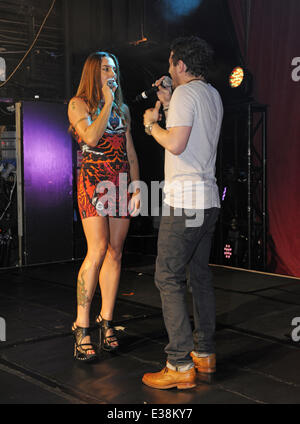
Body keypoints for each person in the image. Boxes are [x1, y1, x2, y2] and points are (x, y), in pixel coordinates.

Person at [142, 36, 223, 389]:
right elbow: (192, 133)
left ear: (181, 65)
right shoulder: (211, 94)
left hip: (185, 201)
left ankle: (178, 364)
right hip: (207, 200)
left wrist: (150, 125)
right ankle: (204, 353)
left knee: (167, 276)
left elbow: (176, 143)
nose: (169, 69)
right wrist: (169, 102)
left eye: (172, 63)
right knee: (199, 275)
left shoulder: (187, 96)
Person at [68, 51, 140, 362]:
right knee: (96, 249)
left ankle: (106, 320)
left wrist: (137, 188)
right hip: (93, 181)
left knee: (115, 251)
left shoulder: (124, 109)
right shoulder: (78, 104)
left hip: (121, 182)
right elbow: (92, 137)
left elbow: (131, 152)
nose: (113, 72)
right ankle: (82, 324)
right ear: (93, 72)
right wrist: (107, 102)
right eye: (107, 68)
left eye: (115, 67)